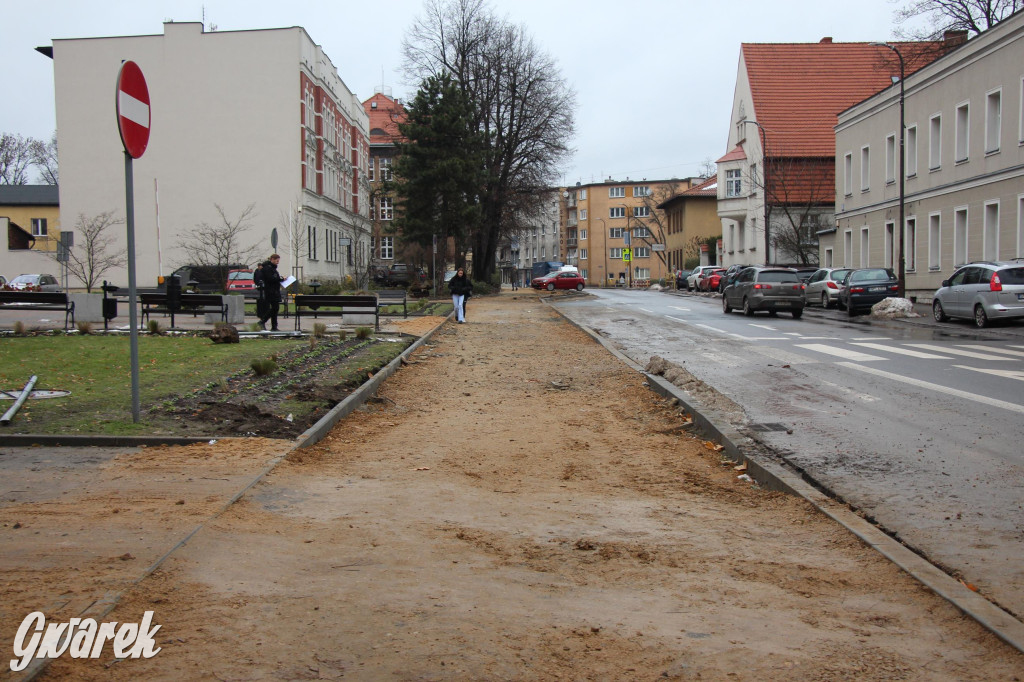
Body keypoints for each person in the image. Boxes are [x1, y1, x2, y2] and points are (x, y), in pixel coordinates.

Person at [256, 254, 285, 331]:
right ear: (272, 259)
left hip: (274, 290)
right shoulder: (267, 268)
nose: (277, 262)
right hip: (270, 291)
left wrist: (280, 279)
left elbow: (274, 278)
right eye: (276, 260)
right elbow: (271, 279)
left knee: (275, 308)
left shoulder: (272, 268)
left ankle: (274, 326)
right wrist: (281, 279)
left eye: (278, 260)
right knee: (275, 308)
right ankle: (263, 321)